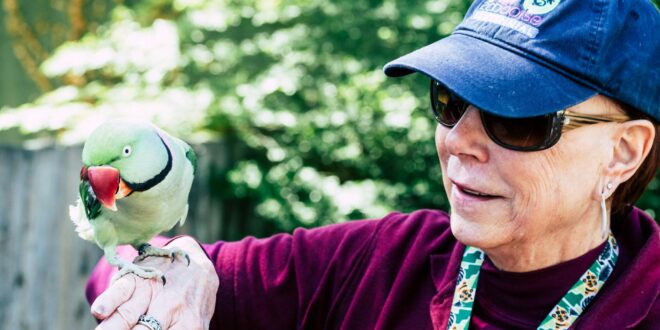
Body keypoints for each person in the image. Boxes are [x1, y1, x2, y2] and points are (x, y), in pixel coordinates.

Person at [85, 0, 660, 329]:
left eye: (519, 120)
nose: (459, 141)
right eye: (449, 100)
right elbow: (111, 274)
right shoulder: (385, 263)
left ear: (624, 151)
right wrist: (168, 271)